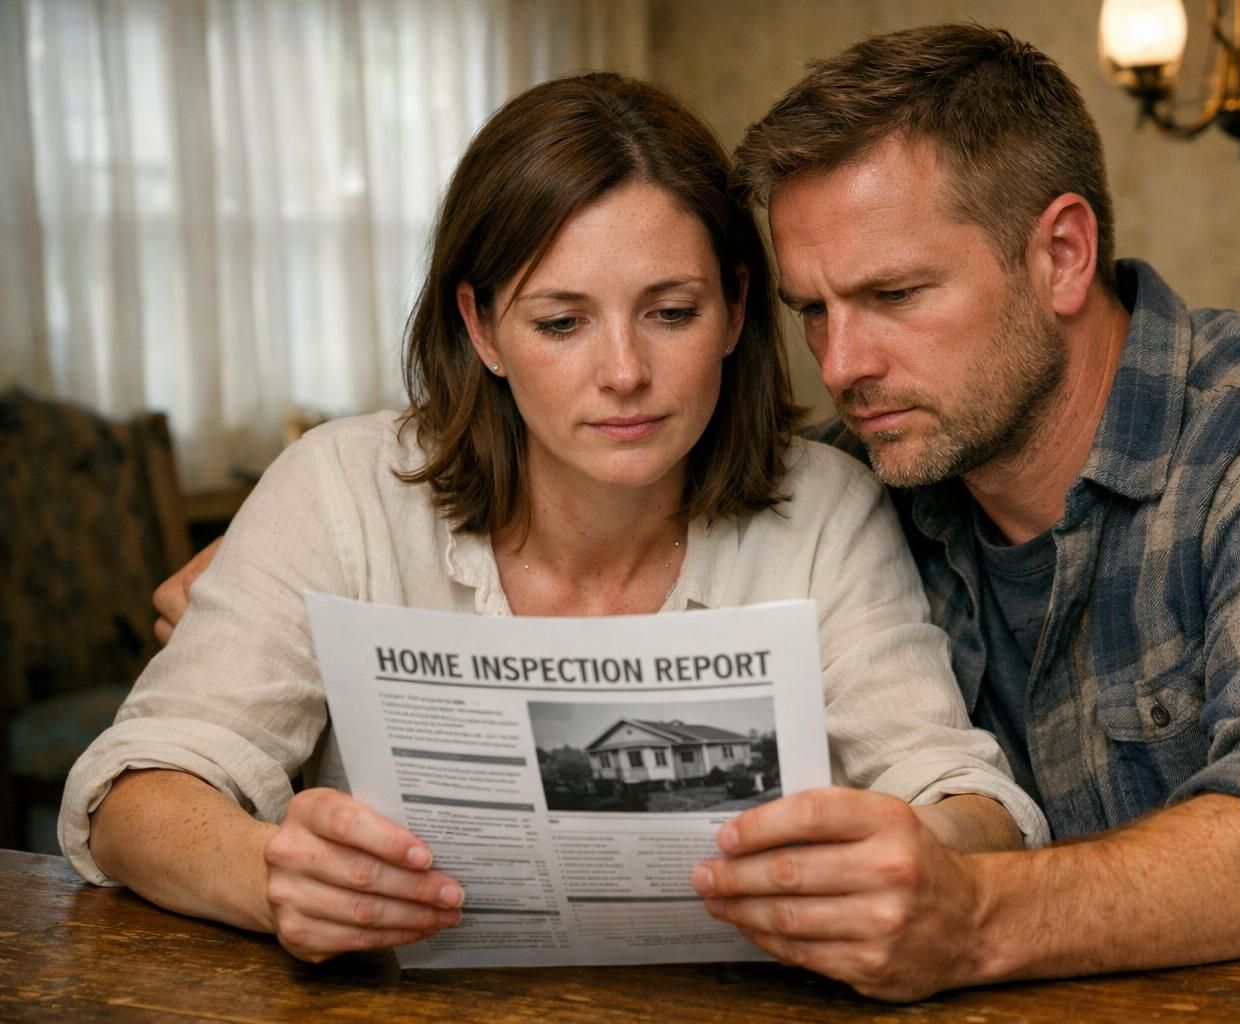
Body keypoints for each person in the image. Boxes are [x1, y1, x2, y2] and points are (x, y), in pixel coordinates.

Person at [60, 72, 1045, 965]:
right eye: (561, 322)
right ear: (483, 328)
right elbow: (134, 789)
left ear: (737, 311)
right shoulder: (338, 487)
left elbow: (958, 791)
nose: (623, 372)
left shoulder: (823, 505)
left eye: (670, 311)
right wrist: (271, 874)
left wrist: (926, 856)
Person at [682, 23, 1240, 1000]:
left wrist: (974, 916)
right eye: (813, 310)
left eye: (895, 294)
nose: (841, 367)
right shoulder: (853, 487)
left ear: (1062, 254)